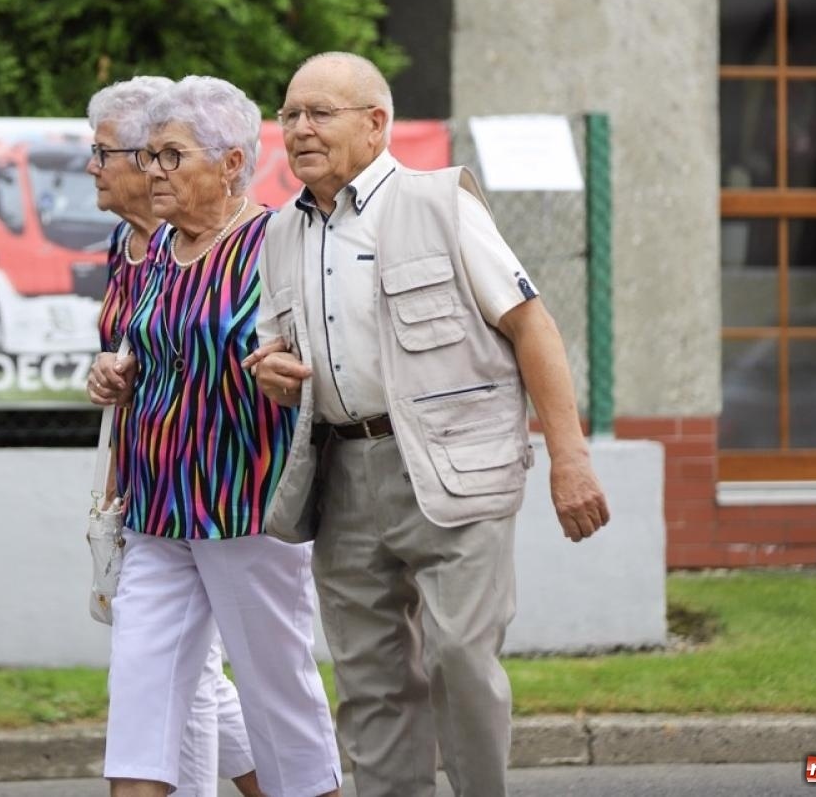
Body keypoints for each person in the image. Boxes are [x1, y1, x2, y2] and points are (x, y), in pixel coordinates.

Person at [243, 51, 610, 797]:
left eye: (319, 113)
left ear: (376, 124)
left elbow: (533, 327)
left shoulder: (441, 204)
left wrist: (570, 459)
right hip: (342, 478)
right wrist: (271, 370)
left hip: (456, 471)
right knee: (371, 684)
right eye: (289, 115)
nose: (299, 129)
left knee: (458, 660)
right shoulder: (280, 233)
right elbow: (276, 351)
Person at [88, 75, 342, 797]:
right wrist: (114, 373)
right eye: (151, 157)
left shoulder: (277, 240)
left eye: (171, 156)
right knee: (139, 703)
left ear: (231, 164)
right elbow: (147, 353)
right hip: (155, 511)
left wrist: (298, 372)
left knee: (276, 698)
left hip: (246, 507)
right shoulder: (157, 252)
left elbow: (332, 349)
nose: (153, 172)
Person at [86, 77, 263, 797]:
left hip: (225, 499)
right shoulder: (131, 250)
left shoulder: (225, 243)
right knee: (172, 682)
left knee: (207, 688)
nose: (95, 167)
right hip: (151, 494)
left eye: (106, 153)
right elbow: (140, 362)